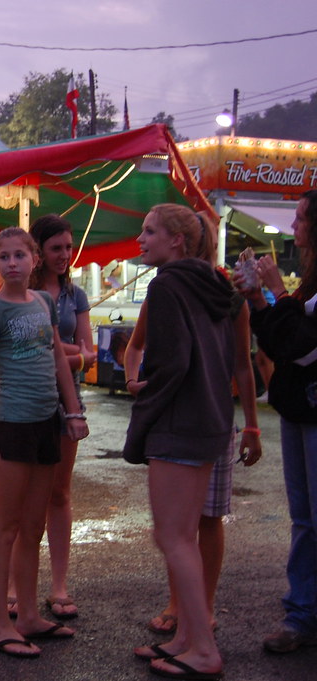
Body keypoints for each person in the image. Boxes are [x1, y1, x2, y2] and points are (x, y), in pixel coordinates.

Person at [0, 227, 89, 659]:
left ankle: (30, 615)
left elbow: (57, 358)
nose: (12, 263)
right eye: (4, 257)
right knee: (5, 529)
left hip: (46, 423)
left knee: (34, 528)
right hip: (11, 427)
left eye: (20, 255)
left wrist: (72, 412)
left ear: (34, 259)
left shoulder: (45, 302)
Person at [123, 205, 237, 680]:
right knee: (182, 536)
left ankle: (203, 649)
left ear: (178, 242)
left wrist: (144, 410)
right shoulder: (215, 286)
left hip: (178, 423)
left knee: (172, 537)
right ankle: (188, 638)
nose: (140, 239)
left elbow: (170, 363)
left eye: (150, 231)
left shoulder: (166, 285)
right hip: (211, 420)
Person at [125, 264, 262, 638]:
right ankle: (179, 605)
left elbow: (243, 366)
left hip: (212, 420)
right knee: (180, 526)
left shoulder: (228, 298)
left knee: (204, 519)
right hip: (183, 419)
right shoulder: (164, 291)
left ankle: (203, 606)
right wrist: (133, 380)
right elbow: (136, 344)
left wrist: (251, 424)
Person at [237, 189, 317, 654]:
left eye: (302, 219)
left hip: (311, 409)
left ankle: (304, 613)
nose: (294, 228)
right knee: (304, 518)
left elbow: (305, 347)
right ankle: (302, 612)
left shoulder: (303, 286)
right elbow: (282, 342)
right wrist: (259, 300)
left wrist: (280, 293)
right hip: (296, 408)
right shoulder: (309, 281)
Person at [6, 215, 97, 620]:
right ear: (40, 251)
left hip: (69, 401)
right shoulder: (24, 291)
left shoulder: (75, 295)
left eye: (69, 247)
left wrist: (66, 354)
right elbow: (34, 350)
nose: (65, 255)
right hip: (29, 400)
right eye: (57, 248)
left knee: (59, 493)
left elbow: (88, 354)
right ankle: (14, 584)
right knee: (24, 497)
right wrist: (69, 354)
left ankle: (59, 585)